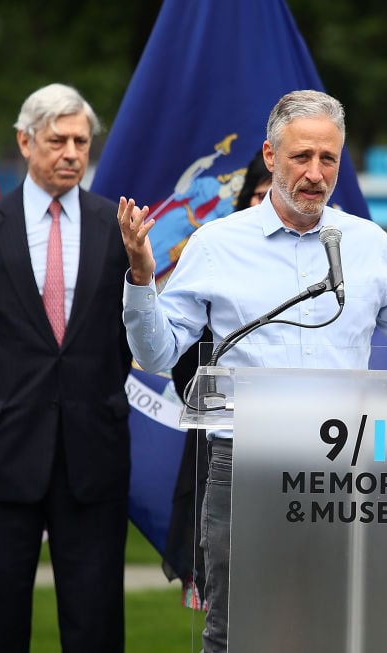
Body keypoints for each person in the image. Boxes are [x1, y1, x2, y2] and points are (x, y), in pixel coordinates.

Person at [118, 89, 387, 653]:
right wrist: (139, 278)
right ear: (271, 157)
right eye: (301, 157)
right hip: (244, 462)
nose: (315, 173)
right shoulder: (217, 244)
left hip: (338, 465)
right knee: (236, 632)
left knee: (332, 628)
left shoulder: (366, 244)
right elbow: (157, 354)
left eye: (329, 158)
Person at [0, 84, 133, 652]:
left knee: (95, 621)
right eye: (58, 140)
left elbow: (123, 339)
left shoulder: (116, 227)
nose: (72, 152)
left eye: (81, 140)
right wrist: (0, 402)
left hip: (91, 450)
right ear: (25, 142)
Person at [164, 148, 273, 605]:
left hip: (308, 446)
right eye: (258, 195)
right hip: (225, 444)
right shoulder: (217, 258)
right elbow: (180, 359)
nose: (266, 203)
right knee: (229, 608)